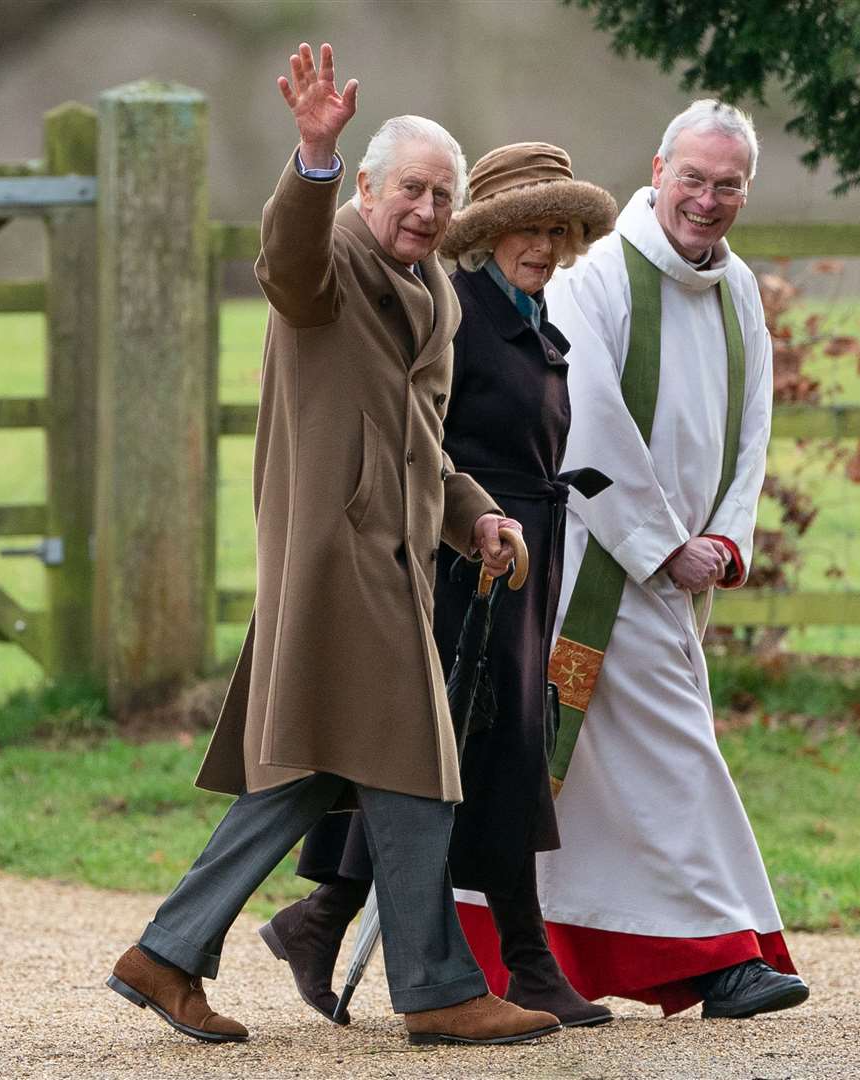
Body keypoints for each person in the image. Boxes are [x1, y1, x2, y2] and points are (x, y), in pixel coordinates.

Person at [105, 43, 560, 1048]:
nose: (429, 210)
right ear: (365, 186)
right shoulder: (335, 258)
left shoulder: (434, 289)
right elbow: (287, 261)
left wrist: (475, 512)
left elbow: (423, 445)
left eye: (443, 195)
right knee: (417, 769)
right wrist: (309, 156)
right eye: (411, 189)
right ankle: (438, 987)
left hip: (395, 562)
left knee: (310, 774)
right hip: (335, 561)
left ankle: (168, 954)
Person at [460, 100, 811, 1020]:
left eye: (727, 185)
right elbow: (592, 420)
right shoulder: (600, 275)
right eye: (693, 178)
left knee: (589, 783)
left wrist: (727, 539)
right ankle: (725, 955)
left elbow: (754, 425)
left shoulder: (737, 289)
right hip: (595, 564)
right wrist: (662, 547)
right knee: (673, 750)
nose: (707, 199)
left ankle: (510, 953)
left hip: (683, 568)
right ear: (657, 170)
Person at [261, 143, 619, 1029]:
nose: (546, 244)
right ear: (489, 233)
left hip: (520, 549)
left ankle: (322, 917)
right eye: (529, 228)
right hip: (459, 562)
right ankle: (514, 962)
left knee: (471, 754)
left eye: (560, 230)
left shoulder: (531, 315)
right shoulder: (454, 306)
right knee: (458, 755)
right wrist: (466, 524)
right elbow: (418, 435)